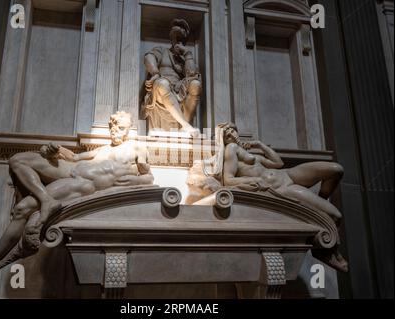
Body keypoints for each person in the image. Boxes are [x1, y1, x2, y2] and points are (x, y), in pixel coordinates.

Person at [0, 111, 154, 284]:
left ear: (128, 130)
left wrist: (134, 181)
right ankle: (46, 200)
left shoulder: (136, 148)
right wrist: (55, 150)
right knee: (17, 160)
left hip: (83, 184)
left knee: (23, 209)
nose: (115, 131)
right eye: (112, 127)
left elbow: (149, 177)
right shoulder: (103, 149)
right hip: (71, 170)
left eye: (120, 128)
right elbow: (75, 158)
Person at [200, 122, 348, 272]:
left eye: (232, 130)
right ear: (223, 139)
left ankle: (319, 204)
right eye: (227, 134)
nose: (232, 134)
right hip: (281, 188)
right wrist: (253, 180)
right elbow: (229, 180)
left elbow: (278, 163)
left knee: (335, 170)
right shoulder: (230, 150)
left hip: (288, 174)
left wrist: (260, 144)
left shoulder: (247, 151)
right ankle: (325, 249)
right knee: (335, 215)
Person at [143, 18, 202, 137]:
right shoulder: (162, 51)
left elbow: (192, 75)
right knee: (163, 84)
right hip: (161, 87)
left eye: (180, 39)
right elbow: (148, 57)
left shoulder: (186, 58)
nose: (177, 42)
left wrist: (187, 54)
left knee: (196, 84)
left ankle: (184, 126)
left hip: (180, 89)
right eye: (175, 38)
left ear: (184, 42)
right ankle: (186, 126)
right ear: (171, 39)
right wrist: (155, 72)